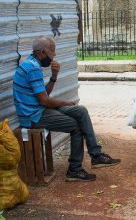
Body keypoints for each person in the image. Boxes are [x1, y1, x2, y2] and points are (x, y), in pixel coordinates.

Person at [13, 36, 121, 182]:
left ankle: (96, 155)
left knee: (81, 111)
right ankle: (74, 170)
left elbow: (44, 95)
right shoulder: (32, 68)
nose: (53, 57)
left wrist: (54, 76)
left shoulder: (32, 64)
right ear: (42, 52)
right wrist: (64, 103)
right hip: (33, 116)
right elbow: (44, 100)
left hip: (40, 109)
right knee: (76, 127)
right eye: (52, 52)